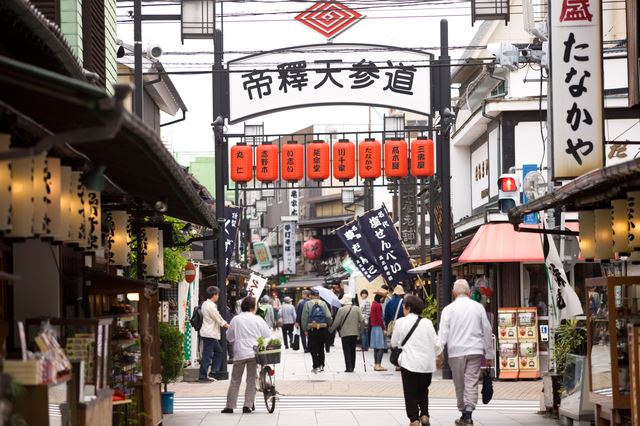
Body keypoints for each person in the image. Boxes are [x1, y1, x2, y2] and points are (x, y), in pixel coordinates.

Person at [438, 279, 494, 426]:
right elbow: (487, 330)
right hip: (475, 350)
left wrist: (439, 352)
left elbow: (443, 333)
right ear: (469, 292)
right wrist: (489, 354)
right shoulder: (478, 307)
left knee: (459, 383)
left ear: (453, 292)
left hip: (456, 351)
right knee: (471, 381)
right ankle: (468, 415)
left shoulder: (448, 309)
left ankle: (464, 413)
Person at [391, 295, 442, 426]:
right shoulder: (428, 323)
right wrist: (439, 357)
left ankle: (414, 419)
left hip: (409, 363)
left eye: (404, 307)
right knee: (423, 390)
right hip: (426, 364)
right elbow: (436, 344)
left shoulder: (401, 322)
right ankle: (424, 414)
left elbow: (393, 343)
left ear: (408, 307)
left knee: (410, 392)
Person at [221, 297, 273, 414]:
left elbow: (229, 337)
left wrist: (237, 340)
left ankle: (230, 406)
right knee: (251, 380)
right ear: (252, 307)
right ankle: (247, 406)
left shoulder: (236, 319)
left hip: (239, 353)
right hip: (254, 352)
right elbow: (267, 335)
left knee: (235, 380)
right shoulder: (258, 319)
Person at [199, 286, 229, 382]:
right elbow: (219, 319)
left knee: (218, 351)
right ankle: (203, 376)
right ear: (214, 295)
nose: (218, 296)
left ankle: (212, 372)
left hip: (208, 332)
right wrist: (229, 326)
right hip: (209, 333)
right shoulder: (210, 306)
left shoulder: (205, 304)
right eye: (218, 294)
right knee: (207, 355)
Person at [329, 295, 365, 372]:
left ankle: (349, 367)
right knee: (353, 350)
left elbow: (336, 322)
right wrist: (361, 330)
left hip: (345, 333)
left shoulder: (341, 310)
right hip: (355, 333)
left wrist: (331, 330)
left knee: (347, 350)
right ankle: (353, 366)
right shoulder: (357, 309)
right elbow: (362, 321)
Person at [301, 289, 333, 373]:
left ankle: (316, 365)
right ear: (318, 296)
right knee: (321, 347)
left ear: (311, 295)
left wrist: (305, 329)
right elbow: (328, 316)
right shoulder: (323, 303)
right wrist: (329, 325)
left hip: (312, 328)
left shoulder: (307, 304)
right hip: (322, 328)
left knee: (313, 348)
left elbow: (304, 318)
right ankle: (322, 365)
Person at [370, 289, 388, 371]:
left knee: (376, 347)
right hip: (379, 327)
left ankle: (375, 364)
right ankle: (378, 364)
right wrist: (384, 329)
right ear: (380, 297)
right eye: (383, 298)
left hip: (374, 327)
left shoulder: (373, 304)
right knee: (381, 346)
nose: (384, 299)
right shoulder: (378, 305)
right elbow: (380, 318)